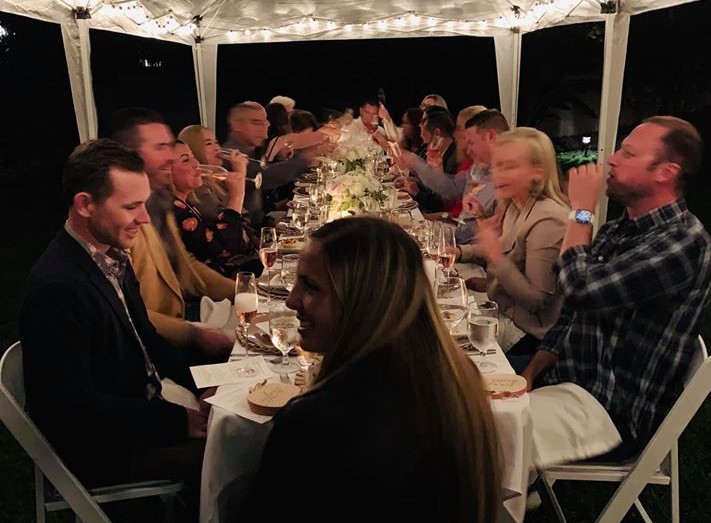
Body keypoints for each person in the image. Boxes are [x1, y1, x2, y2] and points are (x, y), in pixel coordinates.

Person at [237, 217, 501, 523]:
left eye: (310, 286)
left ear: (364, 301)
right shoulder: (459, 378)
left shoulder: (312, 422)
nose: (292, 300)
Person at [19, 139, 210, 513]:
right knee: (242, 455)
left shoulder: (109, 257)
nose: (145, 218)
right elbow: (71, 406)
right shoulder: (57, 289)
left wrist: (201, 385)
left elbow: (148, 338)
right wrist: (176, 422)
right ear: (85, 205)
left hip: (143, 411)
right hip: (107, 449)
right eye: (131, 206)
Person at [520, 116, 711, 459]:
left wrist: (581, 211)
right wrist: (534, 367)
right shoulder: (619, 229)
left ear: (665, 172)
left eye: (628, 154)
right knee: (463, 383)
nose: (611, 159)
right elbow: (573, 311)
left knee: (477, 431)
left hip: (610, 411)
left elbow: (579, 289)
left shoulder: (683, 242)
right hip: (569, 377)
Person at [107, 107, 235, 361]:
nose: (170, 156)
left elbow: (186, 265)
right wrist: (193, 335)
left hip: (187, 318)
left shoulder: (159, 199)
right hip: (157, 345)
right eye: (160, 148)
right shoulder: (118, 217)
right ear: (128, 155)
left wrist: (242, 291)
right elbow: (124, 309)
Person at [458, 128, 570, 354]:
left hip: (528, 338)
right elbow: (500, 247)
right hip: (502, 314)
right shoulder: (514, 205)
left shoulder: (549, 218)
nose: (497, 174)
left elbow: (536, 301)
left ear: (537, 173)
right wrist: (461, 251)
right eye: (497, 165)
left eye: (509, 166)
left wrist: (494, 255)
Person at [170, 141, 262, 277]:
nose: (196, 163)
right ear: (166, 172)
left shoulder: (186, 203)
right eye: (185, 160)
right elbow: (226, 247)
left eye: (193, 156)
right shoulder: (175, 209)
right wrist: (237, 195)